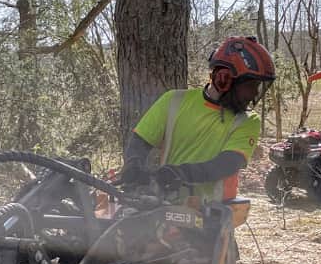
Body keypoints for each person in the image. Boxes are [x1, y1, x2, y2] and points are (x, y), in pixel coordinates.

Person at [117, 35, 276, 202]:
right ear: (224, 79)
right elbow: (140, 140)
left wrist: (180, 173)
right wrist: (134, 164)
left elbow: (228, 162)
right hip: (167, 204)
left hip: (214, 212)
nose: (255, 94)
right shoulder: (174, 101)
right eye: (250, 86)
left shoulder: (247, 120)